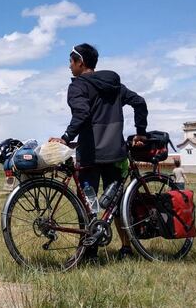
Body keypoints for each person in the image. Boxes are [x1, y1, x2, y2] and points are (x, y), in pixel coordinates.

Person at [49, 43, 148, 261]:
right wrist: (140, 132)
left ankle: (90, 252)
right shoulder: (114, 85)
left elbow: (82, 113)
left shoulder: (78, 86)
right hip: (116, 153)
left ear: (80, 62)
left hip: (90, 155)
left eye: (70, 61)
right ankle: (126, 249)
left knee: (90, 204)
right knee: (117, 204)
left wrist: (65, 138)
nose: (69, 66)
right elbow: (139, 102)